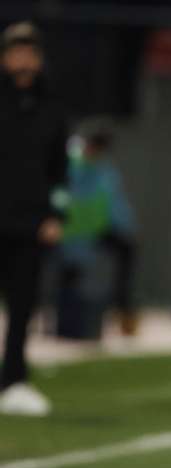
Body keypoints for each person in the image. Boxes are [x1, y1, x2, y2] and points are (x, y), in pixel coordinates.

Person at [0, 21, 67, 416]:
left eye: (29, 51)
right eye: (15, 50)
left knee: (23, 307)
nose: (23, 58)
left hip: (30, 224)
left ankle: (13, 381)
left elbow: (61, 169)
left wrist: (56, 214)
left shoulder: (52, 108)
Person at [57, 119, 139, 338]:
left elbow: (114, 203)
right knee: (69, 274)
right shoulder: (72, 164)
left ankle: (122, 309)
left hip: (96, 229)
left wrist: (125, 226)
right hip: (69, 231)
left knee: (126, 253)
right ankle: (66, 319)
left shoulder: (103, 169)